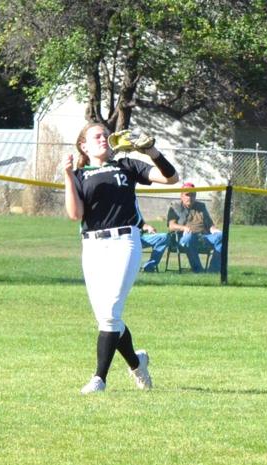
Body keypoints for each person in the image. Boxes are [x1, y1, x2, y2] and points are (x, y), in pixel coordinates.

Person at [62, 124, 179, 394]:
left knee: (111, 311)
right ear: (84, 146)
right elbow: (74, 214)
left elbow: (170, 179)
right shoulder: (80, 175)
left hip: (124, 241)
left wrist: (152, 151)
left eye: (105, 135)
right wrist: (68, 175)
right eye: (96, 136)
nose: (103, 138)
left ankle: (99, 379)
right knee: (107, 317)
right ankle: (138, 364)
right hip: (92, 246)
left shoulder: (126, 164)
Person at [167, 182, 223, 273]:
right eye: (187, 195)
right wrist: (184, 228)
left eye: (192, 195)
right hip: (184, 238)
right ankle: (198, 270)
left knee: (222, 236)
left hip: (203, 237)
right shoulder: (175, 206)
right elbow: (171, 226)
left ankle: (213, 270)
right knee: (189, 238)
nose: (190, 197)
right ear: (181, 196)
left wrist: (215, 231)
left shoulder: (201, 206)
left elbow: (210, 225)